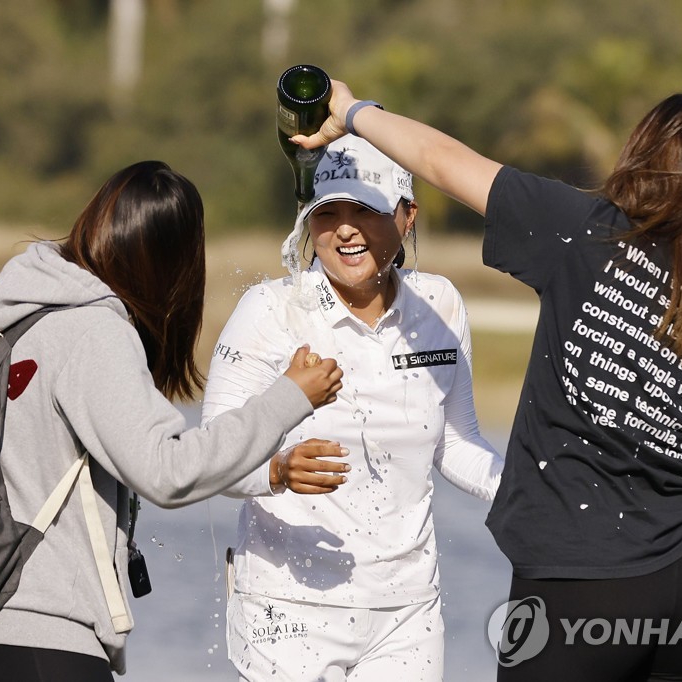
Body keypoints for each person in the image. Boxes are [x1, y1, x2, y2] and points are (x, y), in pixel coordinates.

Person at [291, 86, 682, 681]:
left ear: (647, 160)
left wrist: (353, 113)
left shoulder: (589, 232)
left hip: (575, 578)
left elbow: (441, 161)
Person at [0, 160, 343, 682]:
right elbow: (167, 472)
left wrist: (271, 468)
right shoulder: (92, 333)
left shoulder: (23, 321)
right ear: (172, 264)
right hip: (43, 637)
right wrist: (288, 398)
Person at [200, 135, 504, 681]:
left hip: (407, 612)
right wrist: (276, 471)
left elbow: (456, 444)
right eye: (327, 213)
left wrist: (532, 490)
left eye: (364, 211)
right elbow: (209, 456)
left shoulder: (440, 305)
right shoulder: (270, 309)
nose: (344, 229)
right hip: (285, 604)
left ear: (408, 217)